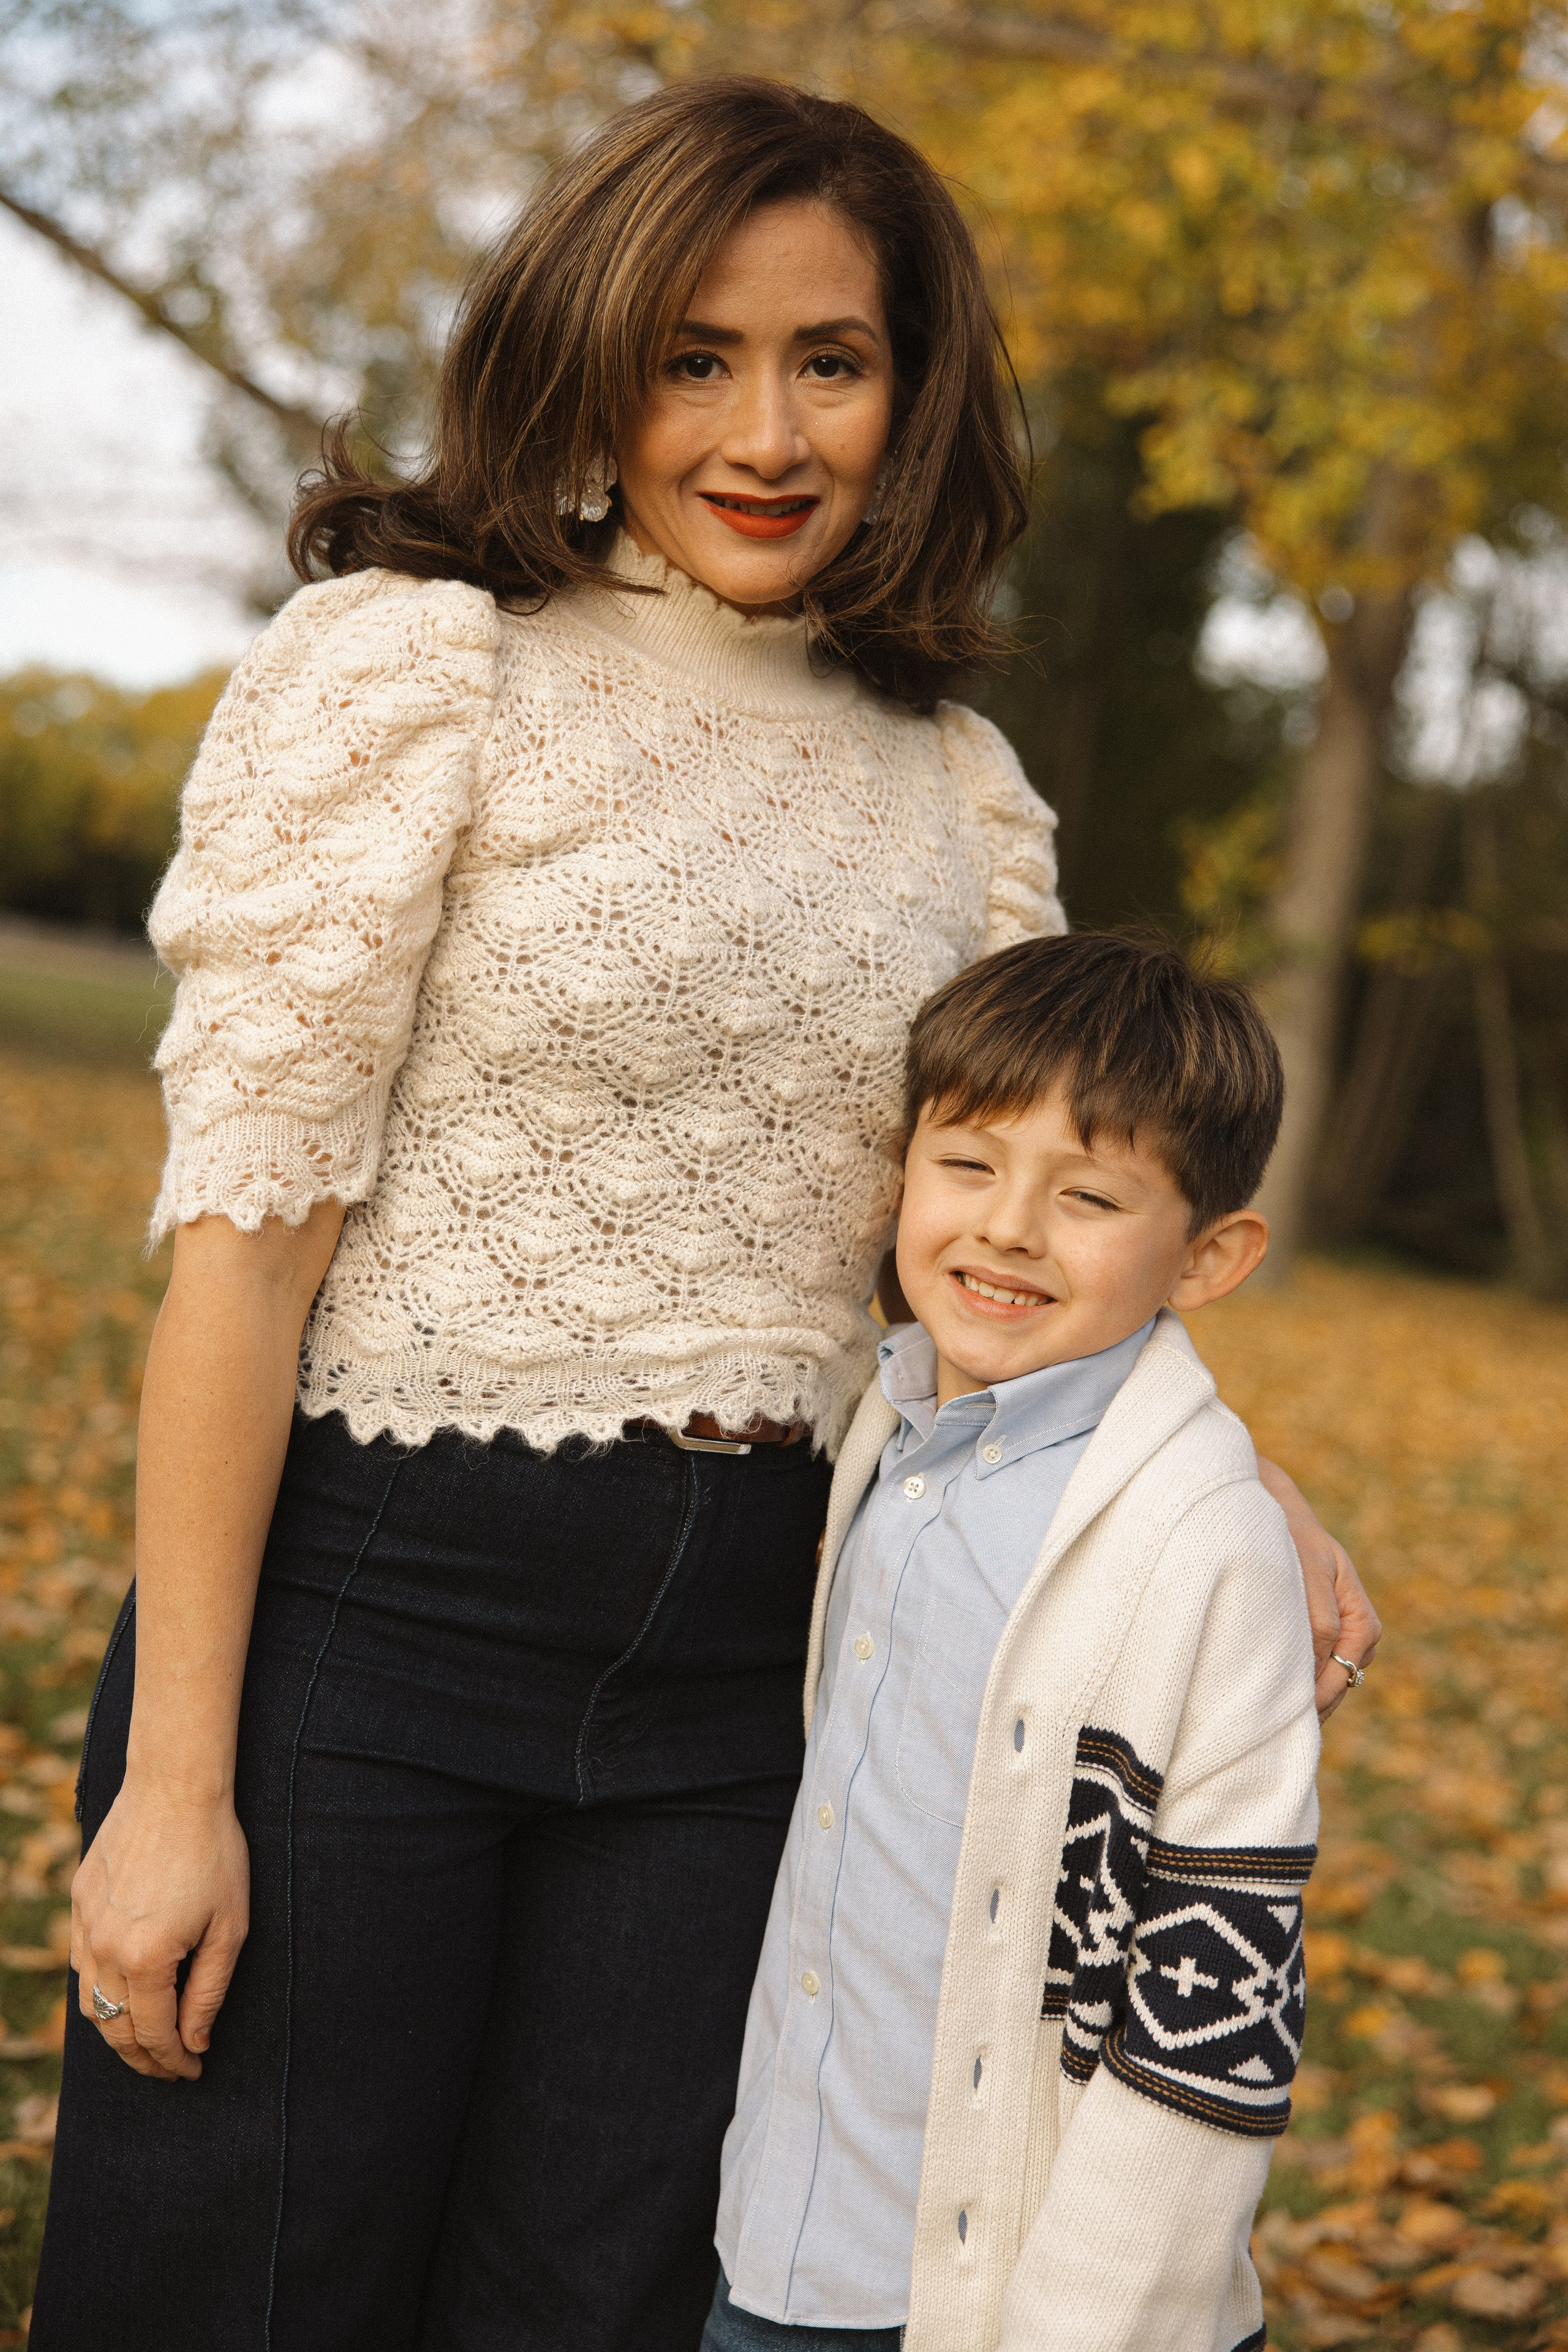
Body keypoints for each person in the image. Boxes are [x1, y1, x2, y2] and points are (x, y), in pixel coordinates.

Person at [35, 76, 1374, 2352]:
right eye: (695, 354)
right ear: (592, 356)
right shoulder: (414, 666)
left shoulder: (962, 791)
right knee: (238, 2292)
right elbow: (242, 1253)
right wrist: (177, 1782)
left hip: (765, 1683)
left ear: (910, 391)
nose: (767, 430)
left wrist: (1231, 1471)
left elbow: (985, 1235)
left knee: (598, 2308)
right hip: (367, 1627)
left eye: (831, 361)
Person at [707, 931, 1321, 2352]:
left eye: (1090, 1196)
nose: (1006, 1229)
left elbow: (1212, 2018)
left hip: (1008, 2301)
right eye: (966, 1165)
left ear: (1211, 1255)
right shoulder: (886, 1425)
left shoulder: (1203, 1549)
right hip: (782, 2244)